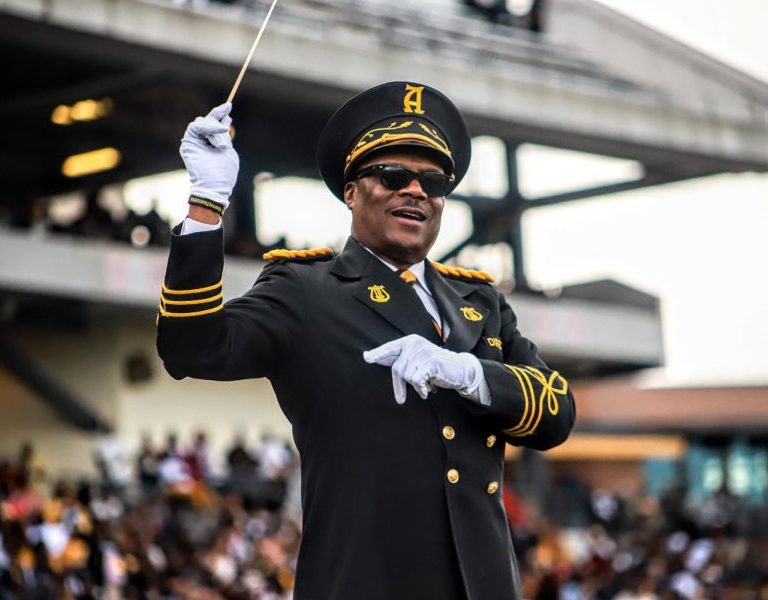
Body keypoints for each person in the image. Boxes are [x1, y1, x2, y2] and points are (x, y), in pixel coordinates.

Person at [157, 81, 576, 599]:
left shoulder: (480, 301)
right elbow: (190, 346)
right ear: (351, 192)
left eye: (433, 181)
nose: (416, 191)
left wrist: (469, 374)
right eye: (393, 175)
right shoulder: (307, 290)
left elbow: (557, 414)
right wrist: (206, 205)